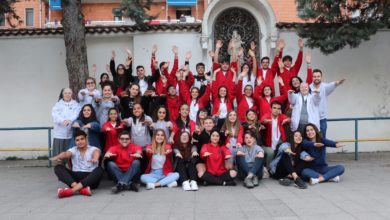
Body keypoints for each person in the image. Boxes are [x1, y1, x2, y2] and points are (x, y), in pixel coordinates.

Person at [50, 130, 103, 198]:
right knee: (58, 167)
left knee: (99, 170)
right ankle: (81, 189)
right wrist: (59, 156)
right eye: (77, 140)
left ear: (86, 138)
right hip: (75, 180)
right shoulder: (73, 149)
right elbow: (66, 154)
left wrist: (95, 158)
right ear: (75, 142)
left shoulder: (93, 149)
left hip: (90, 180)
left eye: (82, 139)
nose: (80, 142)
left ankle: (70, 191)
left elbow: (96, 152)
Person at [309, 69, 345, 137]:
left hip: (322, 118)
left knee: (322, 138)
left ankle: (323, 148)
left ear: (321, 77)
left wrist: (337, 83)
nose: (316, 78)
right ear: (312, 77)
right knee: (312, 138)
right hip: (311, 118)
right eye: (314, 76)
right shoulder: (309, 87)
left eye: (318, 76)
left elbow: (332, 84)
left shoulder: (325, 86)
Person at [123, 103, 153, 172]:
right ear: (132, 111)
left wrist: (149, 123)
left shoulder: (146, 117)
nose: (136, 110)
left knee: (146, 167)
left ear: (142, 110)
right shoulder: (131, 119)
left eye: (138, 108)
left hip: (146, 149)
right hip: (135, 149)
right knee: (137, 166)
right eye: (134, 109)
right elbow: (127, 122)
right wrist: (125, 121)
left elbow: (151, 123)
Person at [52, 88, 80, 157]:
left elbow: (77, 114)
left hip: (70, 134)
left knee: (69, 154)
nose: (67, 95)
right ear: (62, 94)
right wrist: (62, 120)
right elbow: (55, 115)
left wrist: (70, 120)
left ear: (72, 94)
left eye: (69, 93)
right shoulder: (58, 104)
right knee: (59, 155)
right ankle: (59, 167)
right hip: (59, 133)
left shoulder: (75, 104)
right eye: (65, 93)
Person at [260, 101, 290, 165]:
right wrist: (266, 121)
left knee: (286, 150)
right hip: (269, 142)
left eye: (278, 108)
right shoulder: (268, 115)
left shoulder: (281, 116)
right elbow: (263, 119)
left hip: (280, 141)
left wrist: (286, 120)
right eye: (274, 108)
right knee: (271, 154)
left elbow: (288, 119)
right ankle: (269, 168)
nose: (276, 110)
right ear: (271, 109)